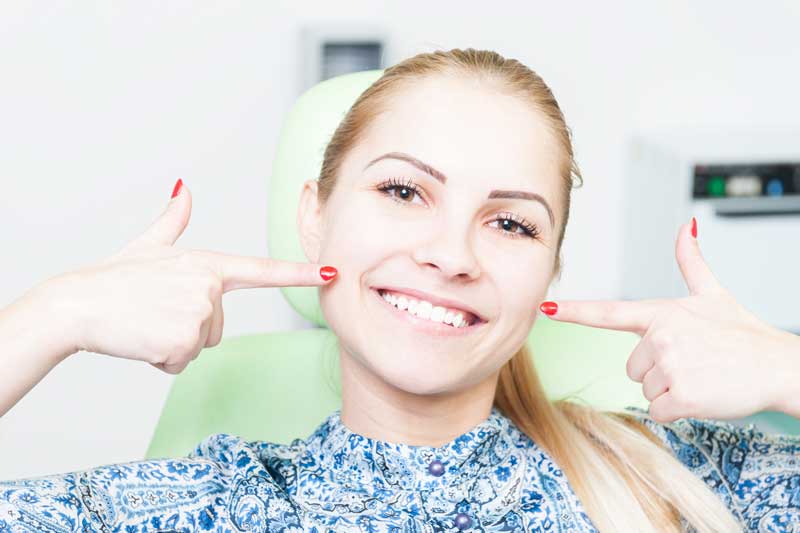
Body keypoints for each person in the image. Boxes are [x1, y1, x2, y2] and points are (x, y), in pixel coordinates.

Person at [1, 48, 798, 533]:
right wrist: (56, 313)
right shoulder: (221, 503)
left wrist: (784, 367)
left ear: (548, 271)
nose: (451, 255)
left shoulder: (667, 474)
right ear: (316, 218)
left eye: (512, 224)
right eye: (404, 192)